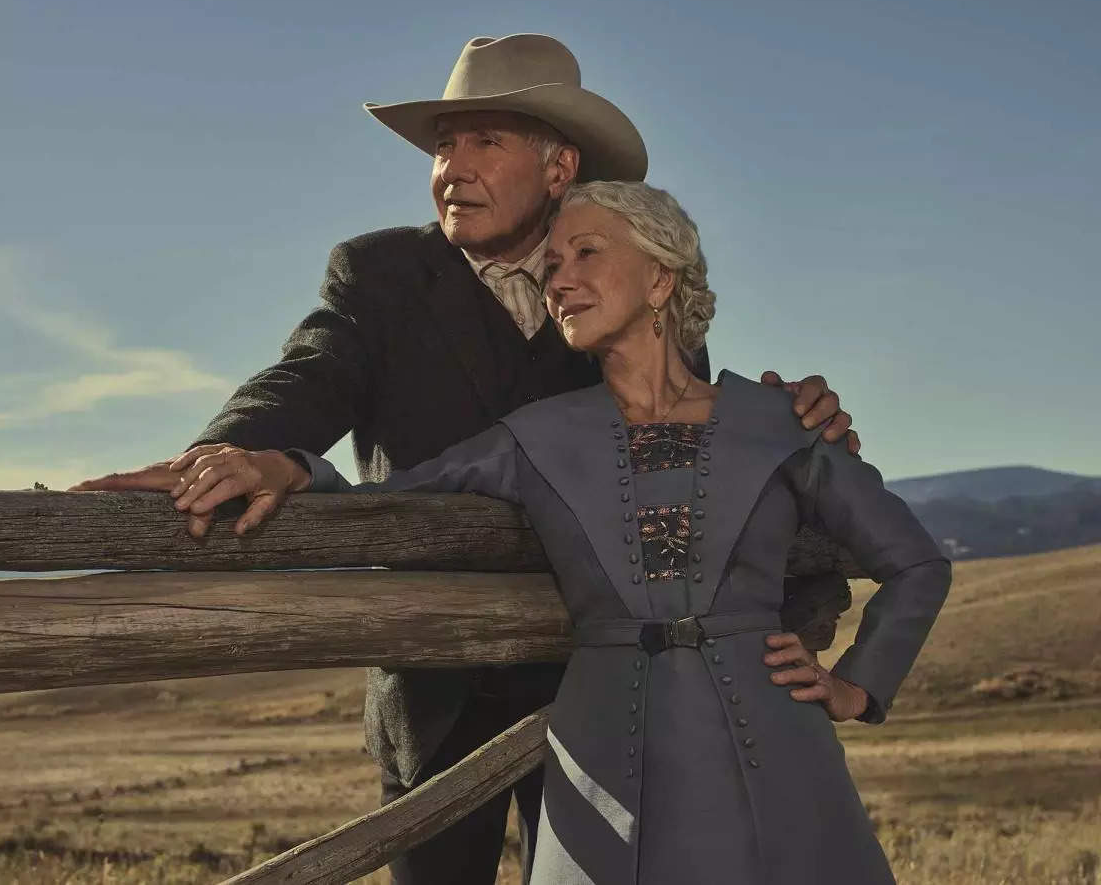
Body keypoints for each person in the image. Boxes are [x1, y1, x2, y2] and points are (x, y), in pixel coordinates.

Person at [71, 35, 867, 885]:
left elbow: (687, 460)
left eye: (486, 141)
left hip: (604, 688)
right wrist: (243, 444)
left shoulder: (624, 284)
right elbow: (314, 369)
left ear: (560, 169)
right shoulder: (381, 273)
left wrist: (789, 436)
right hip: (433, 689)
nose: (453, 166)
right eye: (444, 144)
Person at [187, 179, 950, 884]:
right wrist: (288, 466)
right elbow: (386, 503)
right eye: (552, 264)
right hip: (601, 747)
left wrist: (858, 685)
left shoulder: (777, 422)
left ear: (661, 279)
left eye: (588, 252)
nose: (560, 278)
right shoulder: (531, 437)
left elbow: (915, 562)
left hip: (775, 740)